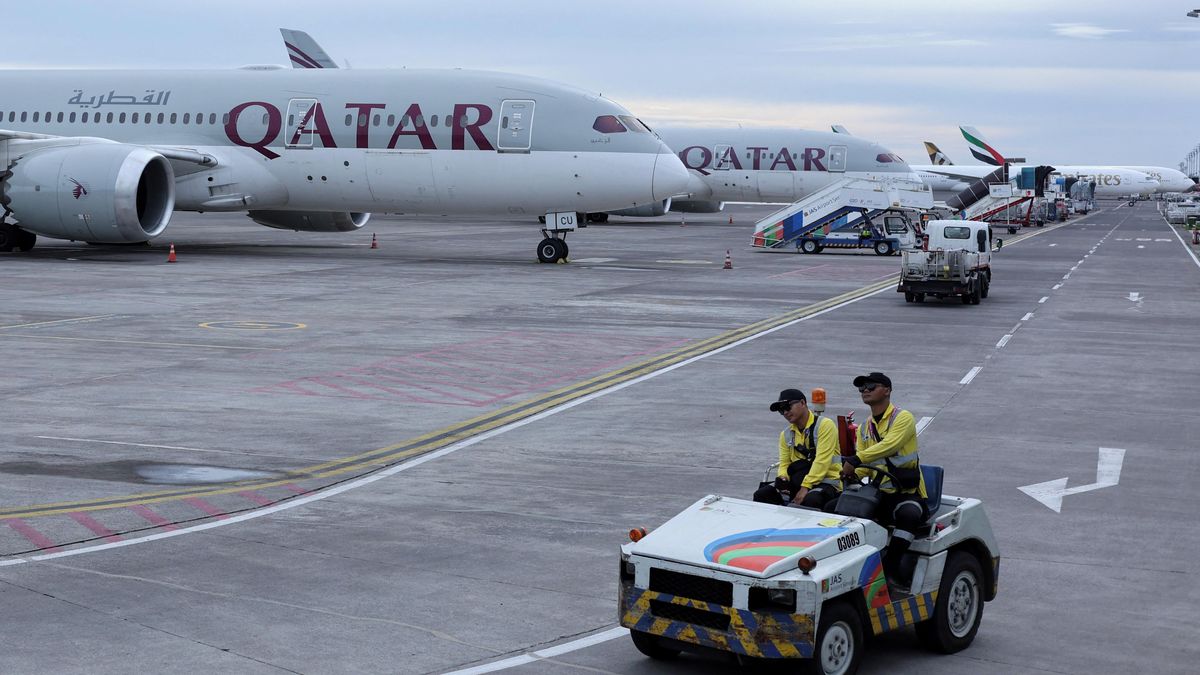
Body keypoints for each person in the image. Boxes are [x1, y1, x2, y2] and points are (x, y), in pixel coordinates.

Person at [840, 372, 927, 587]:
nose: (865, 391)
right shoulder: (864, 428)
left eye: (871, 386)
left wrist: (856, 458)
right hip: (880, 495)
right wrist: (846, 474)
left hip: (907, 494)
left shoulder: (903, 418)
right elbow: (863, 471)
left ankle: (891, 568)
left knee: (909, 515)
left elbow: (890, 445)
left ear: (887, 390)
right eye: (862, 388)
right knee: (836, 507)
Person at [753, 388, 842, 510]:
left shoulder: (825, 425)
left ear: (803, 403)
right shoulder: (786, 434)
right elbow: (784, 463)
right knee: (762, 494)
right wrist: (783, 477)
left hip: (826, 481)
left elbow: (822, 461)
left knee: (811, 500)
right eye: (781, 410)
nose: (785, 412)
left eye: (787, 406)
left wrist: (805, 487)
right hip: (799, 480)